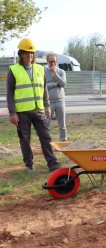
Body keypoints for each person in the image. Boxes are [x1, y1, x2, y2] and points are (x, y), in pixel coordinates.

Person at [6, 38, 61, 172]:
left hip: (38, 110)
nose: (29, 56)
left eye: (31, 53)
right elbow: (9, 93)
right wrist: (12, 113)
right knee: (25, 139)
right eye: (26, 53)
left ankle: (52, 163)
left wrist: (47, 106)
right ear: (21, 54)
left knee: (46, 136)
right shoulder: (13, 70)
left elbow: (44, 90)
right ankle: (29, 164)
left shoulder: (40, 69)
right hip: (22, 112)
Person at [44, 52, 68, 141]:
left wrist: (55, 74)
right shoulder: (43, 71)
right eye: (50, 61)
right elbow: (43, 86)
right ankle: (47, 141)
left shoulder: (61, 72)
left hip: (60, 101)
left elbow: (64, 84)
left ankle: (63, 140)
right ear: (47, 61)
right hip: (48, 102)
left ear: (56, 61)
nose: (52, 63)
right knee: (47, 124)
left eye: (54, 61)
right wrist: (55, 84)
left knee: (62, 124)